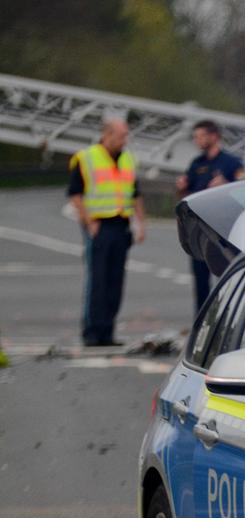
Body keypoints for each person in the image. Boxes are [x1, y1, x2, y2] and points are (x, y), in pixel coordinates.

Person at [68, 117, 144, 348]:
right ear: (107, 135)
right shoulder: (86, 158)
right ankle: (92, 332)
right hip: (99, 226)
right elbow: (75, 194)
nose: (125, 141)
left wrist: (141, 223)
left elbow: (135, 193)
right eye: (121, 136)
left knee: (115, 281)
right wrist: (89, 222)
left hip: (121, 226)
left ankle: (108, 331)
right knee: (98, 281)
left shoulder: (128, 159)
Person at [175, 120, 245, 313]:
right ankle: (201, 321)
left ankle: (228, 319)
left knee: (226, 278)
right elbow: (186, 197)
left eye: (201, 136)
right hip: (199, 230)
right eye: (195, 137)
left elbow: (244, 194)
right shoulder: (196, 164)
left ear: (214, 136)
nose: (197, 140)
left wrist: (226, 185)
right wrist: (181, 188)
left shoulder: (231, 163)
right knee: (200, 281)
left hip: (222, 230)